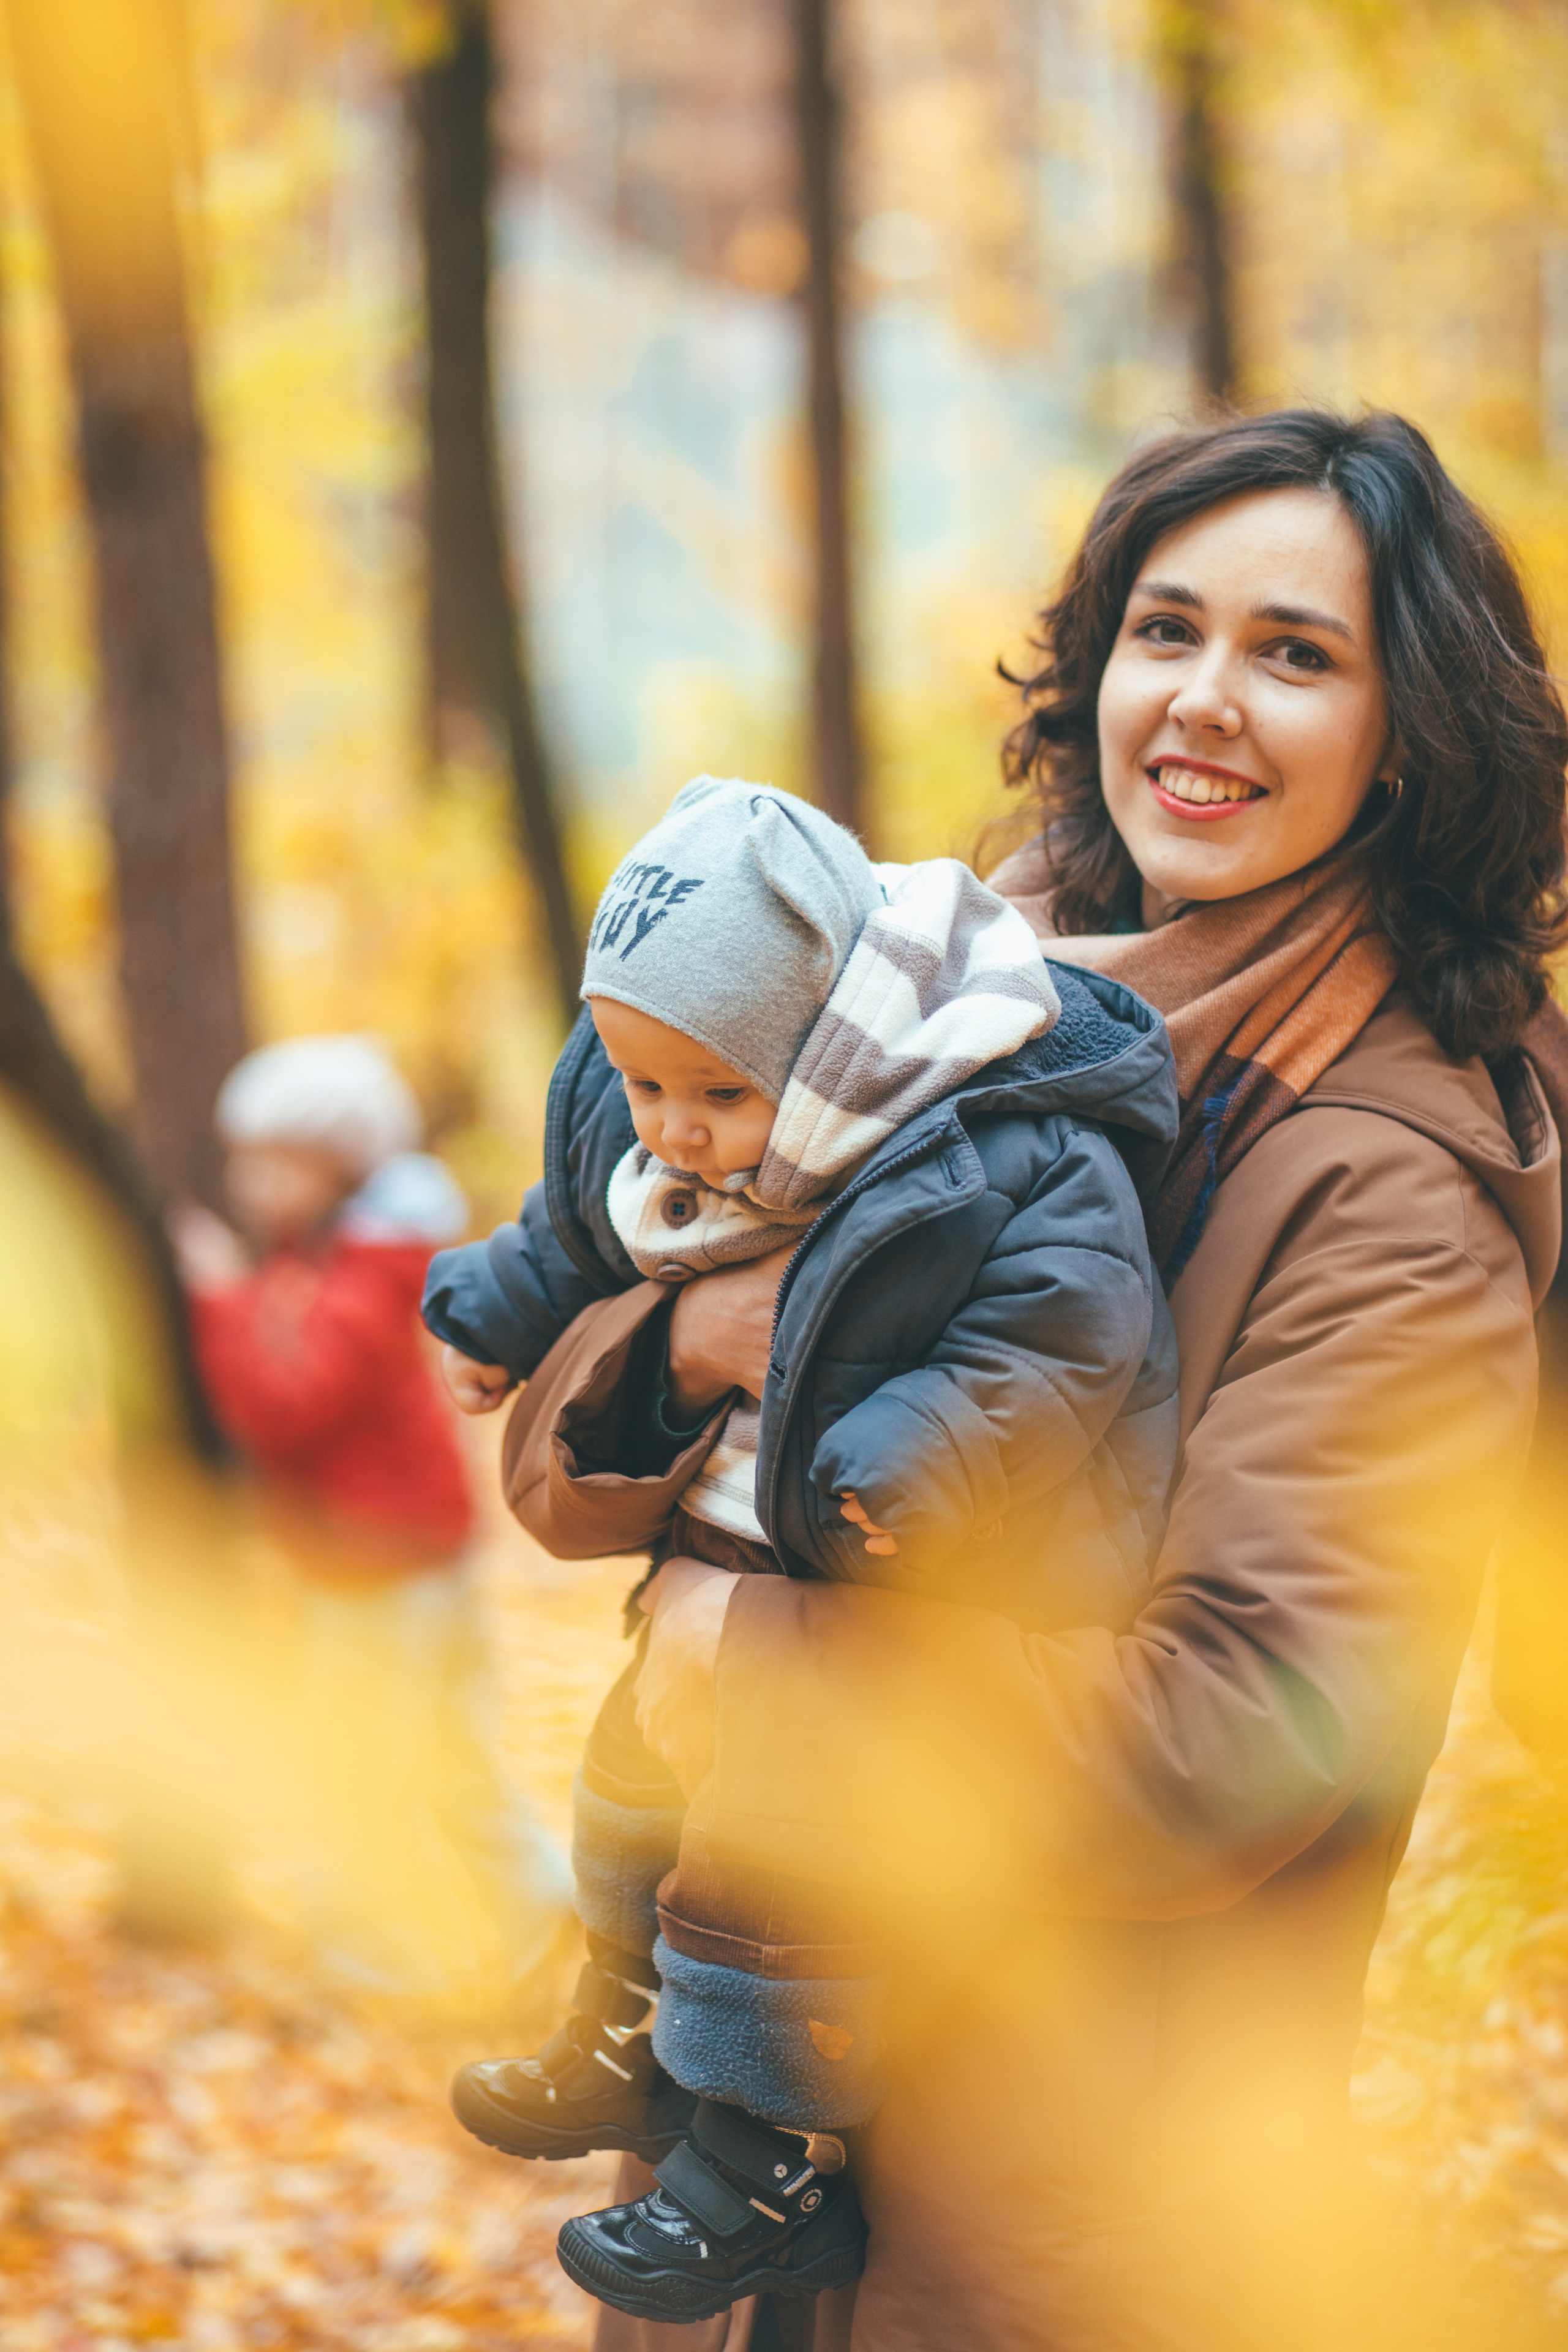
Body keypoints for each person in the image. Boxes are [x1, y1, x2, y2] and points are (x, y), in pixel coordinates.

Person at [494, 409, 1568, 2352]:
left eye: (1297, 654)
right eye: (1168, 631)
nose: (1206, 702)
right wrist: (695, 1342)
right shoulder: (949, 1015)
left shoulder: (1394, 1195)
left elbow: (1237, 1734)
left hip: (1049, 2221)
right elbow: (563, 1443)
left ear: (1411, 738)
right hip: (749, 2149)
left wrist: (754, 1659)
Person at [420, 778, 1181, 2323]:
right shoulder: (655, 1108)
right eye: (637, 1084)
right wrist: (495, 1308)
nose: (673, 1134)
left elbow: (1060, 1337)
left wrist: (900, 1465)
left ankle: (766, 2158)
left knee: (769, 1879)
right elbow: (582, 1220)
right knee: (632, 1794)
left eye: (708, 1096)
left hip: (889, 1569)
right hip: (728, 1576)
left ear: (821, 1041)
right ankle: (621, 2025)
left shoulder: (997, 1145)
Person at [172, 1033, 573, 2003]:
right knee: (450, 1759)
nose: (248, 1182)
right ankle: (546, 1912)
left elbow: (287, 1402)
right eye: (243, 1161)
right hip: (403, 1559)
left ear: (339, 1169)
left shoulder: (360, 1270)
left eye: (274, 1164)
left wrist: (219, 1296)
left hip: (379, 1569)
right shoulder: (326, 1258)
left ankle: (363, 1964)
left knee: (359, 1770)